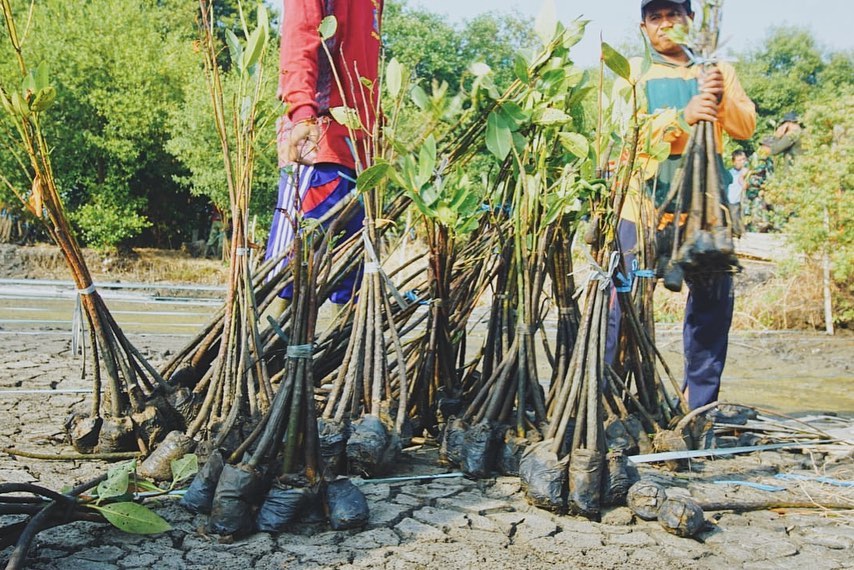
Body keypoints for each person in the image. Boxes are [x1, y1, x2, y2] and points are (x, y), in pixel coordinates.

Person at [605, 0, 756, 410]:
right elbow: (622, 138)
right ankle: (611, 402)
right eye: (656, 17)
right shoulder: (632, 73)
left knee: (712, 309)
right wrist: (681, 118)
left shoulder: (718, 70)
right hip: (642, 208)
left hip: (704, 213)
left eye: (675, 14)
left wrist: (719, 98)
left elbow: (746, 126)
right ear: (643, 26)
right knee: (623, 305)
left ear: (691, 21)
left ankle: (697, 406)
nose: (666, 23)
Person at [265, 0, 384, 313]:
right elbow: (298, 41)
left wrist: (378, 131)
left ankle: (339, 359)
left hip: (359, 153)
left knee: (350, 277)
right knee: (292, 273)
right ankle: (275, 357)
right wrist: (303, 115)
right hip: (318, 147)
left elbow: (366, 72)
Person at [727, 149, 748, 237]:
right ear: (733, 161)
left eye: (744, 159)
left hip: (743, 203)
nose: (742, 162)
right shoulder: (729, 173)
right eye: (739, 160)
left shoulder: (748, 172)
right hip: (732, 202)